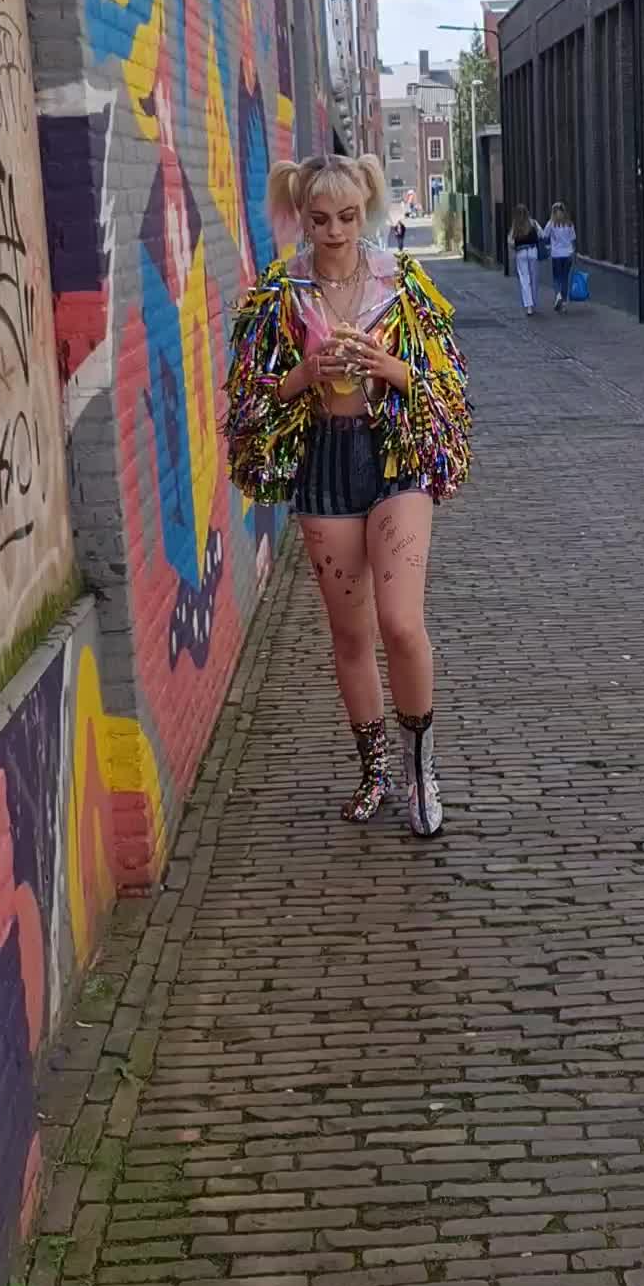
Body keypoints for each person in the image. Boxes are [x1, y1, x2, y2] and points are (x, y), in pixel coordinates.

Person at [224, 153, 470, 838]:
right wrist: (307, 372)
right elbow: (250, 398)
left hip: (396, 460)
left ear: (366, 209)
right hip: (324, 464)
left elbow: (447, 385)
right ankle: (373, 770)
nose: (334, 232)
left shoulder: (402, 282)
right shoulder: (279, 292)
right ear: (300, 216)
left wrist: (386, 366)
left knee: (400, 623)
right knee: (351, 632)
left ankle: (422, 769)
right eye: (319, 218)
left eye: (348, 216)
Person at [543, 201, 578, 312]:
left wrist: (549, 246)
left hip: (556, 255)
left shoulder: (551, 223)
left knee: (556, 277)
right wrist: (574, 253)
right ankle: (563, 303)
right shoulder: (569, 223)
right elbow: (573, 240)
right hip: (568, 254)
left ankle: (558, 295)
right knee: (565, 278)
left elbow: (544, 235)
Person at [509, 205, 543, 315]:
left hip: (521, 253)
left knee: (525, 279)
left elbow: (511, 241)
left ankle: (529, 306)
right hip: (533, 251)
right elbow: (542, 235)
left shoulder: (515, 225)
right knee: (534, 278)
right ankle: (534, 301)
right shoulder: (533, 223)